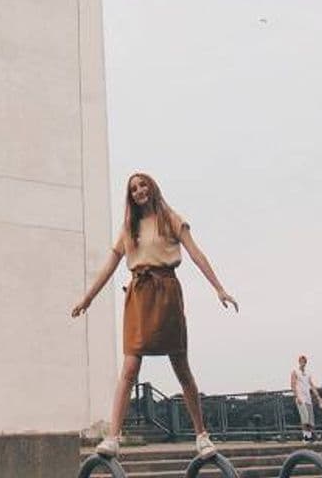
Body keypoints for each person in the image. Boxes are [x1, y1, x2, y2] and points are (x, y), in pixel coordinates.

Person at [70, 171, 238, 460]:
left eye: (143, 184)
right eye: (133, 188)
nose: (139, 191)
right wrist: (87, 298)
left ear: (152, 187)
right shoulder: (128, 228)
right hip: (138, 294)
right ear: (130, 196)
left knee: (181, 366)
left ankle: (202, 435)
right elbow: (109, 266)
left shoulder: (171, 218)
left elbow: (196, 254)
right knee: (130, 367)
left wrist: (219, 288)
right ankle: (113, 437)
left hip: (166, 292)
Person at [290, 355, 321, 442]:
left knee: (310, 418)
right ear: (299, 361)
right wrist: (297, 396)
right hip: (300, 397)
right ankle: (305, 437)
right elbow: (293, 385)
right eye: (301, 361)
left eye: (304, 361)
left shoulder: (308, 373)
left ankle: (310, 436)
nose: (303, 363)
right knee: (304, 418)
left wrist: (317, 396)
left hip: (308, 397)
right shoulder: (295, 371)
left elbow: (311, 384)